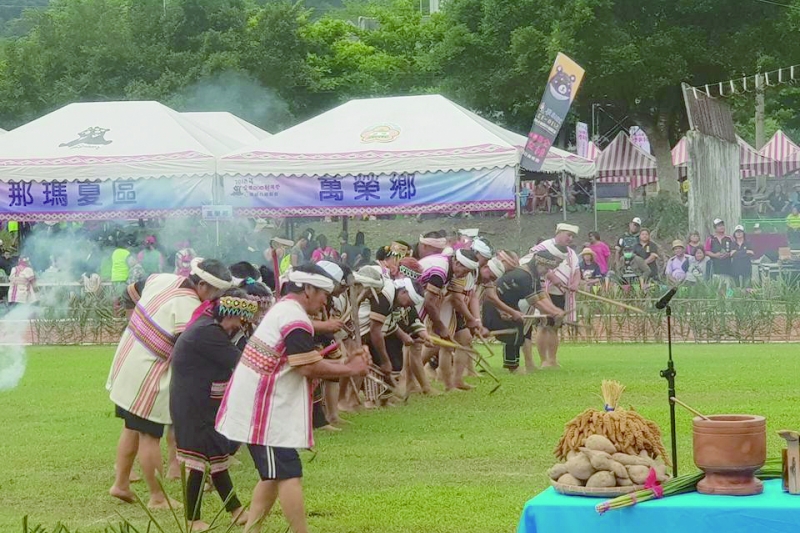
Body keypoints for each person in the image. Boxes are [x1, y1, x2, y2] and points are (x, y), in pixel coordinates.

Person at [215, 265, 369, 533]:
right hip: (263, 409)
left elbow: (305, 361)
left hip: (261, 405)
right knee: (289, 474)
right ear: (307, 289)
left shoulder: (286, 310)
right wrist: (350, 369)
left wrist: (346, 364)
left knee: (273, 475)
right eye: (323, 294)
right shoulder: (294, 318)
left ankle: (251, 530)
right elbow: (306, 367)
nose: (325, 301)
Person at [107, 258, 232, 509]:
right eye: (216, 292)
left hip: (127, 359)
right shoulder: (189, 308)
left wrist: (136, 318)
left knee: (131, 427)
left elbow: (133, 291)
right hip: (148, 372)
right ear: (203, 285)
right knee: (150, 435)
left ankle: (121, 484)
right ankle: (157, 496)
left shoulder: (163, 278)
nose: (216, 298)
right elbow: (192, 350)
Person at [170, 289, 257, 530]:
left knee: (215, 455)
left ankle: (236, 511)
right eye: (239, 319)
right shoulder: (208, 332)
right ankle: (192, 519)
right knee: (199, 460)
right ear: (230, 314)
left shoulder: (208, 325)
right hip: (194, 403)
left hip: (201, 400)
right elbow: (242, 363)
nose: (239, 325)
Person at [481, 251, 565, 372]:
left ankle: (521, 365)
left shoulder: (532, 275)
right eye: (546, 268)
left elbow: (541, 295)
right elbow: (535, 302)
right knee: (513, 333)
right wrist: (554, 313)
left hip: (508, 305)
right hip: (495, 305)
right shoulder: (524, 276)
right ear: (538, 264)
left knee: (519, 331)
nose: (547, 271)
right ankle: (513, 367)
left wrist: (555, 310)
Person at [530, 223, 581, 368]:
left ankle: (552, 359)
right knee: (543, 325)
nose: (570, 238)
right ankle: (543, 360)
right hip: (543, 292)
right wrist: (553, 278)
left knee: (554, 326)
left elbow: (577, 271)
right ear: (559, 233)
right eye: (568, 235)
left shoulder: (571, 253)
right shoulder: (543, 247)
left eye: (572, 236)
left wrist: (575, 284)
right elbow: (534, 264)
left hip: (561, 293)